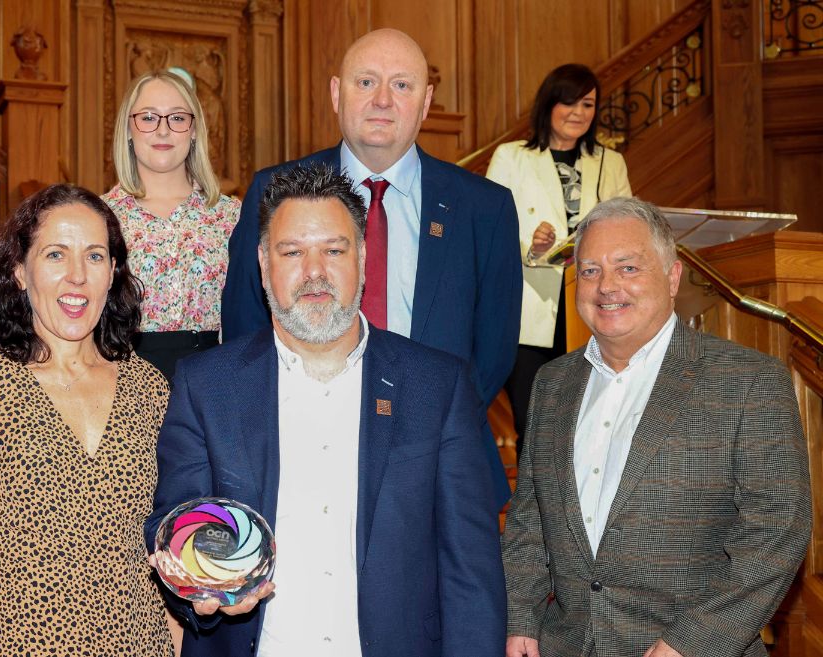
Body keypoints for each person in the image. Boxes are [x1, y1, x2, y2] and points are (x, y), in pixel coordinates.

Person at [148, 163, 506, 657]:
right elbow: (177, 521)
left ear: (362, 255)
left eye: (333, 250)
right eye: (291, 251)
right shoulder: (207, 386)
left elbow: (473, 572)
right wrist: (202, 593)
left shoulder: (437, 386)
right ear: (262, 261)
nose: (314, 272)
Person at [220, 28, 520, 506]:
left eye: (402, 85)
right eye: (366, 82)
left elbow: (495, 346)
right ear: (337, 93)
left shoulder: (485, 207)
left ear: (426, 102)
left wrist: (427, 424)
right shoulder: (273, 190)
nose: (382, 99)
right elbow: (244, 324)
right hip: (300, 448)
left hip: (440, 461)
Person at [501, 198, 811, 657]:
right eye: (589, 271)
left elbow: (777, 532)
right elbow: (530, 519)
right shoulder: (552, 383)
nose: (606, 286)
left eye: (627, 268)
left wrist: (690, 643)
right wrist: (522, 617)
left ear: (672, 277)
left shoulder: (749, 381)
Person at [0, 184, 175, 657]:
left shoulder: (151, 389)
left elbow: (165, 553)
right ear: (20, 270)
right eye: (56, 255)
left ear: (113, 272)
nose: (77, 276)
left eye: (95, 256)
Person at [486, 63, 631, 450]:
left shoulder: (610, 162)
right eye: (569, 102)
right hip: (530, 310)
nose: (578, 113)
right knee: (533, 424)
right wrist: (530, 246)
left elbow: (628, 227)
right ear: (549, 104)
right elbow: (487, 229)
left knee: (590, 424)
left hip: (592, 306)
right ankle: (535, 509)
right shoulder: (511, 157)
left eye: (587, 104)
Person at [103, 69, 241, 380]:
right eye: (149, 118)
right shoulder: (99, 217)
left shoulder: (232, 217)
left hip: (215, 380)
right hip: (120, 381)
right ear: (128, 128)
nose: (163, 131)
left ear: (194, 130)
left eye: (177, 118)